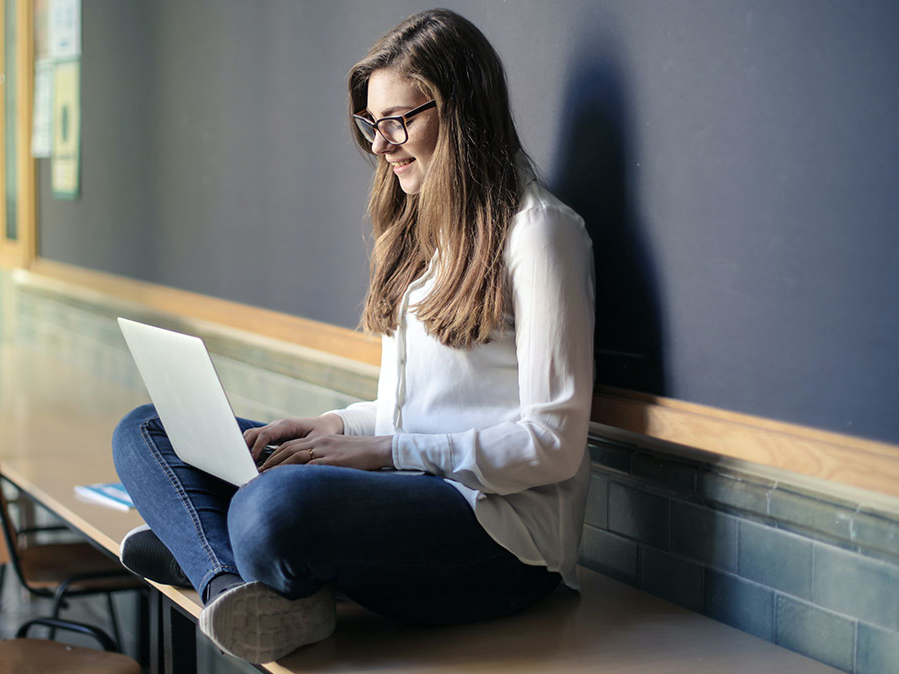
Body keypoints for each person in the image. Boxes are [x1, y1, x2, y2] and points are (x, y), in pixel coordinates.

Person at [111, 8, 594, 664]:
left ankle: (212, 550)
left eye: (399, 120)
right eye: (372, 122)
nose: (380, 144)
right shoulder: (423, 238)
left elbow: (555, 446)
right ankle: (236, 586)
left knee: (275, 506)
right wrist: (327, 425)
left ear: (462, 112)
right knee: (147, 428)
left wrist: (385, 453)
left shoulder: (540, 233)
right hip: (411, 488)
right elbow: (411, 412)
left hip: (503, 541)